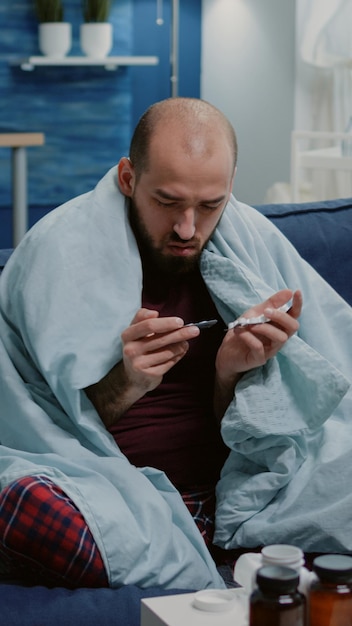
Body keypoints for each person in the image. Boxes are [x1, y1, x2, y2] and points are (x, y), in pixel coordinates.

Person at [0, 98, 351, 591]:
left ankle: (218, 546)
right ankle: (220, 558)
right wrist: (127, 381)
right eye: (167, 203)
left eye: (210, 206)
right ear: (128, 178)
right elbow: (40, 423)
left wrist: (233, 372)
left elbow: (290, 415)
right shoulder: (60, 253)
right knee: (26, 505)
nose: (188, 229)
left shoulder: (248, 240)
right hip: (111, 495)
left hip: (240, 488)